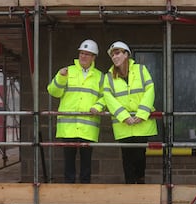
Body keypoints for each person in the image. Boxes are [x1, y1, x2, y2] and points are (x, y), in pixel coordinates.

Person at [47, 39, 105, 183]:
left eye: (87, 54)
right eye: (81, 53)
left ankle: (85, 191)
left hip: (88, 126)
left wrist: (98, 107)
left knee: (86, 163)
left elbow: (106, 97)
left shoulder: (100, 76)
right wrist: (60, 78)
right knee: (68, 162)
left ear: (94, 57)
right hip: (68, 127)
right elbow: (54, 92)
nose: (83, 56)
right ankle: (69, 192)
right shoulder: (67, 71)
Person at [103, 41, 158, 184]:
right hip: (124, 125)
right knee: (127, 158)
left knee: (140, 158)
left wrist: (141, 114)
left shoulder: (140, 69)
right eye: (113, 55)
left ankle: (140, 186)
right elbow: (108, 97)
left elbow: (150, 89)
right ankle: (130, 189)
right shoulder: (109, 76)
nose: (115, 57)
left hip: (142, 123)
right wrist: (124, 116)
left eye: (118, 53)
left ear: (126, 54)